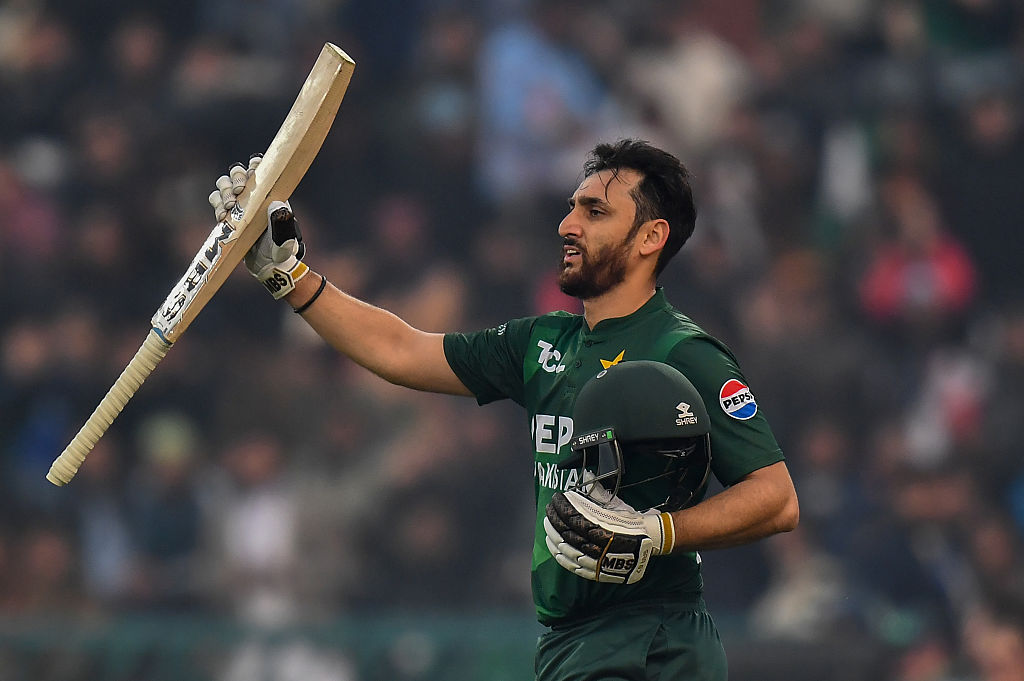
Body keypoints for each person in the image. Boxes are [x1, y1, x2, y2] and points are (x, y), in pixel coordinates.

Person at [210, 139, 799, 680]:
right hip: (570, 643)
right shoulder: (542, 343)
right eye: (573, 207)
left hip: (651, 643)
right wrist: (289, 276)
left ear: (650, 238)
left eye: (595, 213)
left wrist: (659, 531)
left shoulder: (684, 352)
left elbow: (776, 497)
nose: (567, 225)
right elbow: (400, 348)